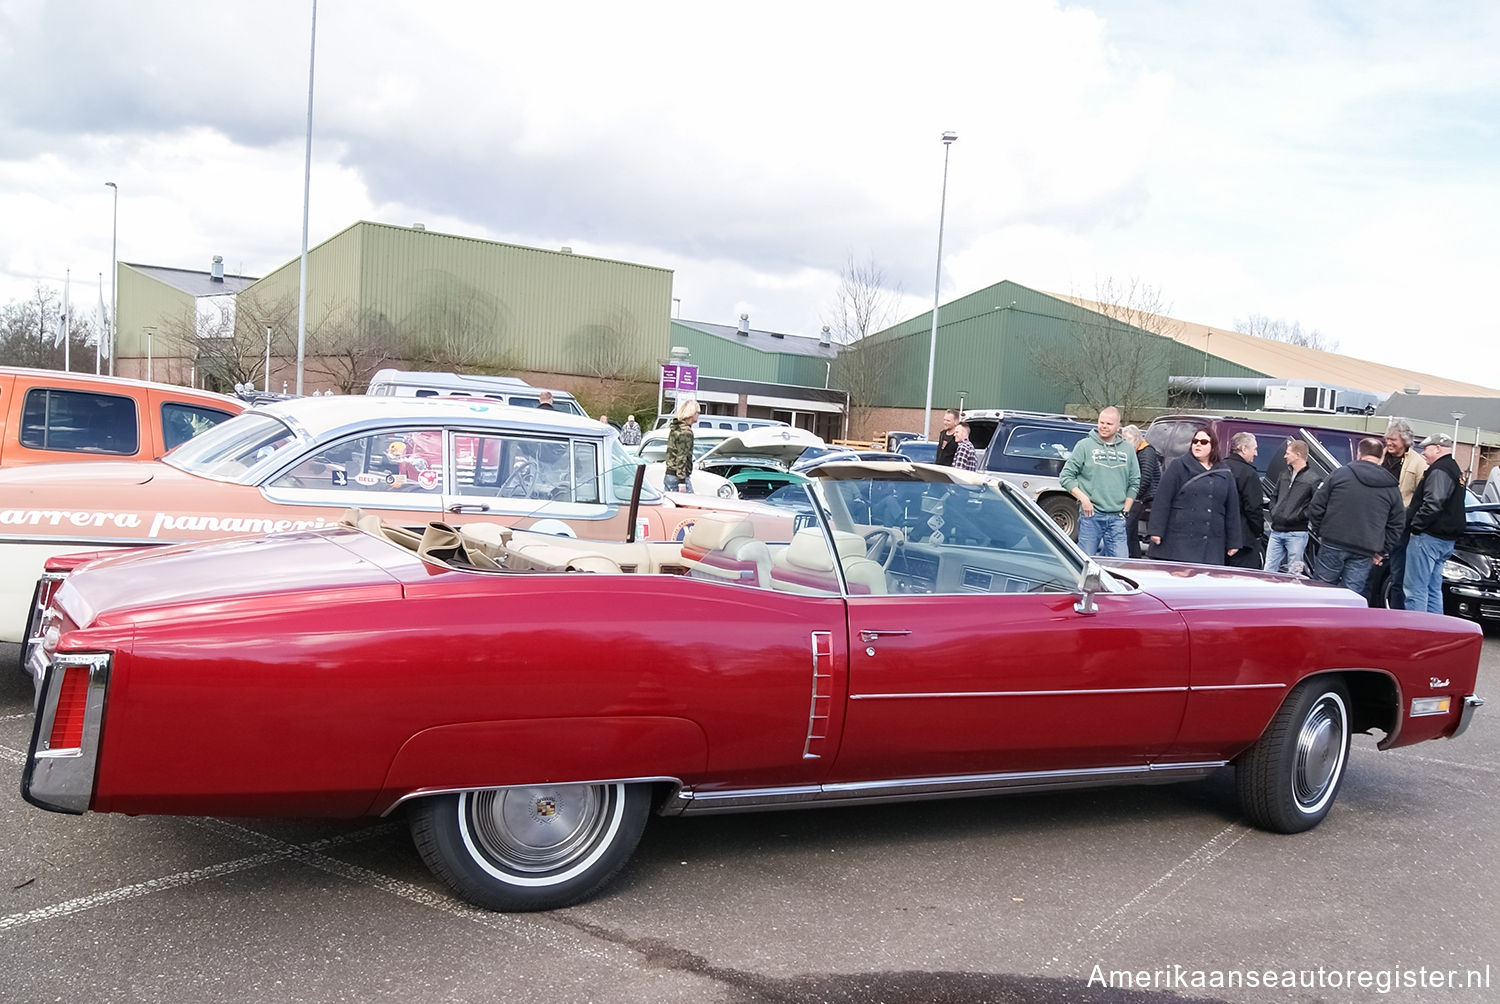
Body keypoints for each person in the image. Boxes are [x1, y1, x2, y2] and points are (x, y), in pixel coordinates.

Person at [1306, 437, 1404, 594]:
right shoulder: (1391, 486)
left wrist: (1320, 531)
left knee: (1321, 591)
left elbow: (1316, 506)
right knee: (1351, 595)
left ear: (1359, 453)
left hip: (1333, 540)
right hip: (1365, 549)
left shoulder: (1339, 474)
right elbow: (1397, 523)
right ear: (1382, 457)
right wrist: (1381, 550)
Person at [1147, 427, 1242, 564]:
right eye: (1195, 441)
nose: (1198, 444)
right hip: (1180, 539)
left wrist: (1234, 541)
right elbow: (1162, 500)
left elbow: (1232, 509)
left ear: (1213, 446)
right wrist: (1156, 530)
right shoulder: (1178, 466)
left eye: (1203, 442)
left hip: (1211, 542)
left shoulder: (1225, 472)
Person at [1060, 406, 1140, 558]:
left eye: (1109, 424)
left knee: (1121, 563)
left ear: (1118, 426)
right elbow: (1066, 477)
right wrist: (1084, 499)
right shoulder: (1084, 445)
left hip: (1117, 518)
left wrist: (1126, 509)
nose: (1104, 426)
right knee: (1085, 562)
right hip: (1091, 516)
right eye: (1101, 422)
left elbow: (1135, 481)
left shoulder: (1128, 450)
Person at [1366, 419, 1428, 608]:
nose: (1389, 443)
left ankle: (1396, 613)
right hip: (1375, 522)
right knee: (1366, 569)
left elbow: (1423, 496)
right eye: (1387, 439)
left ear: (1406, 440)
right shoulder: (1380, 457)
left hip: (1400, 526)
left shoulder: (1419, 463)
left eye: (1393, 439)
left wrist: (1411, 519)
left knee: (1397, 573)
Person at [1403, 433, 1465, 613]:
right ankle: (1435, 630)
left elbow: (1433, 503)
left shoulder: (1439, 470)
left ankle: (1417, 632)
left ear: (1438, 448)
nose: (1423, 453)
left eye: (1426, 449)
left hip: (1428, 537)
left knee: (1415, 589)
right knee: (1433, 589)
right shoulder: (1454, 469)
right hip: (1445, 540)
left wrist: (1416, 525)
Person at [1263, 440, 1316, 575]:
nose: (1285, 456)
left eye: (1287, 453)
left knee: (1294, 573)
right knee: (1268, 570)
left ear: (1297, 454)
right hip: (1277, 530)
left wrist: (1299, 516)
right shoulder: (1284, 474)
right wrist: (1274, 511)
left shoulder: (1313, 479)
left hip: (1297, 532)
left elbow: (1316, 505)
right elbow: (1274, 496)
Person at [1225, 432, 1266, 569]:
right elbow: (1253, 508)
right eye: (1254, 449)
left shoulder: (1219, 468)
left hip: (1218, 536)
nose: (1256, 454)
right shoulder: (1248, 473)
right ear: (1244, 449)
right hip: (1243, 540)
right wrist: (1258, 531)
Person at [1120, 425, 1160, 558]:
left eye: (1125, 439)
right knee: (1130, 532)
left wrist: (1133, 496)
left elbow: (1146, 477)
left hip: (1145, 497)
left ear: (1133, 439)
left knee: (1128, 528)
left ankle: (1132, 556)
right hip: (1142, 496)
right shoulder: (1140, 451)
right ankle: (1133, 556)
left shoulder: (1146, 451)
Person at [662, 396, 699, 492]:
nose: (698, 415)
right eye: (697, 412)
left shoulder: (675, 428)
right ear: (692, 413)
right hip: (678, 476)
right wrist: (682, 481)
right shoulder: (686, 432)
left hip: (669, 473)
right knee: (690, 504)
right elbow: (682, 456)